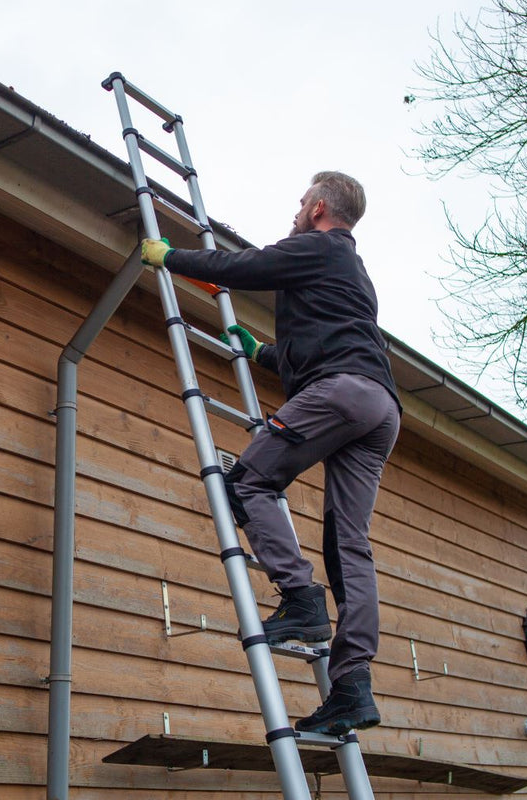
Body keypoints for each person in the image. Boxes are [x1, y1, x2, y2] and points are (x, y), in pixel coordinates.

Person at [140, 171, 401, 736]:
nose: (298, 206)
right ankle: (352, 686)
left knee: (248, 481)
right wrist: (264, 354)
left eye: (304, 199)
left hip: (341, 391)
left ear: (319, 208)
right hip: (380, 406)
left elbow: (245, 267)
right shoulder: (350, 269)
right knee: (348, 543)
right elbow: (325, 339)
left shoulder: (317, 246)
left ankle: (301, 598)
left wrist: (171, 257)